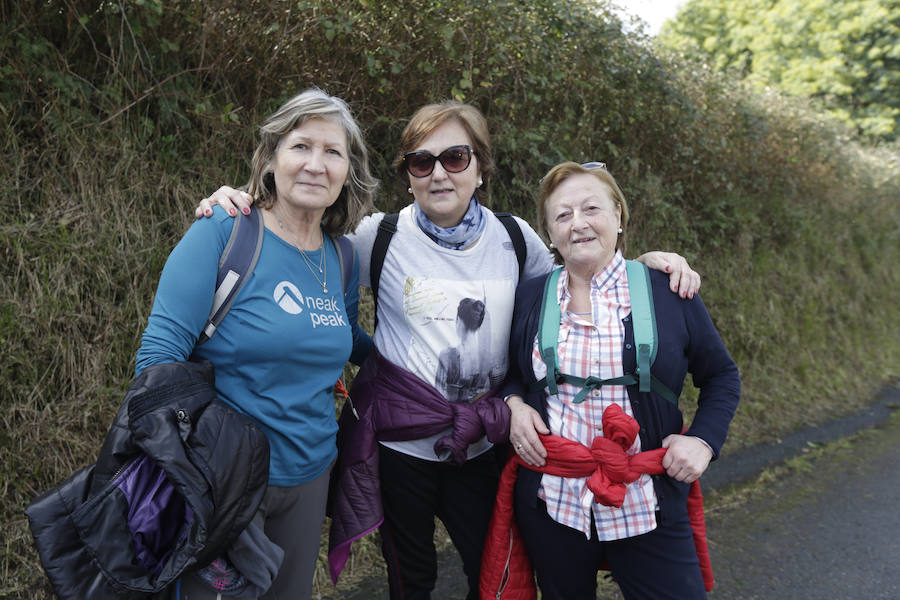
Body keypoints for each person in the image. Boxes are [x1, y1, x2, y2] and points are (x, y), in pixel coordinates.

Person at [194, 102, 701, 600]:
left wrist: (641, 268)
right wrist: (244, 206)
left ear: (479, 169)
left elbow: (573, 288)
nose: (439, 173)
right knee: (409, 579)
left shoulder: (515, 239)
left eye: (455, 158)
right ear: (408, 174)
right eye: (421, 161)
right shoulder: (380, 236)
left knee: (494, 570)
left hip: (484, 443)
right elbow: (302, 249)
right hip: (399, 447)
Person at [136, 88, 376, 599]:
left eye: (332, 152)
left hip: (310, 477)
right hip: (222, 482)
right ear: (270, 160)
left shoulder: (342, 258)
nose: (315, 164)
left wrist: (417, 367)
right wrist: (190, 469)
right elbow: (157, 360)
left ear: (347, 171)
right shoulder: (224, 232)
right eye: (300, 147)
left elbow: (344, 338)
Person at [485, 161, 740, 600]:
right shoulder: (531, 297)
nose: (578, 223)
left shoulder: (668, 291)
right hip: (554, 503)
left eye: (591, 208)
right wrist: (512, 404)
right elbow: (507, 375)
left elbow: (721, 375)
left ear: (619, 216)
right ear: (549, 232)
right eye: (562, 215)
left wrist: (703, 440)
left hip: (646, 501)